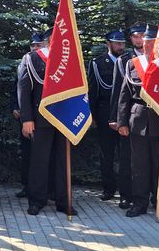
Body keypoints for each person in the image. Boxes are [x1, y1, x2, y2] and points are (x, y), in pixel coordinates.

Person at [117, 24, 159, 220]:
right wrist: (122, 122)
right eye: (145, 42)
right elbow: (124, 95)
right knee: (139, 167)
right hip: (138, 120)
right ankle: (139, 203)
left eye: (152, 42)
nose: (148, 45)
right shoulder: (133, 64)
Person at [17, 28, 77, 217]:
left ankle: (63, 201)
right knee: (39, 162)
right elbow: (24, 90)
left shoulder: (71, 60)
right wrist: (27, 119)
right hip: (40, 118)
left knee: (63, 161)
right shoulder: (33, 59)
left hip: (65, 117)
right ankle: (36, 201)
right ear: (50, 41)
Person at [108, 22, 146, 209]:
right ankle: (126, 195)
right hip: (129, 116)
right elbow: (118, 92)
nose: (139, 39)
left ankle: (151, 196)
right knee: (126, 158)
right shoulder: (124, 60)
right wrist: (115, 119)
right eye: (135, 36)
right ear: (130, 39)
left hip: (150, 117)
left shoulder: (157, 58)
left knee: (147, 160)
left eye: (142, 36)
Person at [88, 30, 126, 202]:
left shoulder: (129, 61)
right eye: (117, 43)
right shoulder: (97, 63)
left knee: (126, 154)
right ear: (108, 44)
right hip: (104, 111)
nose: (121, 46)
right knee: (107, 153)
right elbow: (93, 90)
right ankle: (108, 189)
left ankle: (127, 190)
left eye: (122, 43)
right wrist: (92, 116)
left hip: (124, 112)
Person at [12, 32, 46, 199]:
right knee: (27, 154)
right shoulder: (25, 61)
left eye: (37, 45)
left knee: (40, 155)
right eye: (32, 45)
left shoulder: (43, 61)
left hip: (40, 116)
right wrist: (15, 107)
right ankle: (27, 186)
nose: (34, 48)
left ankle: (43, 189)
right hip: (26, 115)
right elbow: (18, 88)